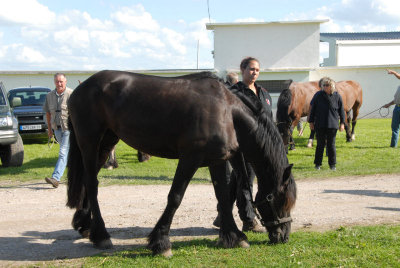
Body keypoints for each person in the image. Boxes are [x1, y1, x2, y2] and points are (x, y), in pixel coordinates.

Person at [214, 57, 273, 233]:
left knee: (237, 180)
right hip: (240, 144)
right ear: (242, 69)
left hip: (259, 145)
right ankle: (248, 220)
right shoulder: (234, 93)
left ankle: (222, 215)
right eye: (251, 69)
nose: (254, 72)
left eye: (257, 70)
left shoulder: (263, 93)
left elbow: (268, 119)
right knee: (246, 179)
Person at [308, 77, 345, 171]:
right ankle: (317, 164)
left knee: (331, 145)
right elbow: (313, 109)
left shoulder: (337, 96)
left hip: (332, 125)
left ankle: (332, 165)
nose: (324, 87)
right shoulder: (318, 95)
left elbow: (341, 111)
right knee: (320, 144)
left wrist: (342, 123)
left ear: (331, 86)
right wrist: (311, 122)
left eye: (326, 85)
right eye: (323, 85)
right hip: (320, 124)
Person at [43, 73, 73, 188]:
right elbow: (48, 113)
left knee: (63, 152)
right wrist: (50, 130)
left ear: (65, 81)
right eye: (57, 82)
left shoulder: (71, 94)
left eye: (61, 81)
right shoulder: (49, 96)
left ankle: (56, 178)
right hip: (57, 129)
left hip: (68, 128)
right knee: (67, 153)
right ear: (54, 82)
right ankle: (77, 174)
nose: (59, 84)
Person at [383, 69, 400, 147]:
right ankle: (393, 146)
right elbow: (396, 99)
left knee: (395, 128)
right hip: (397, 108)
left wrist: (393, 72)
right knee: (394, 128)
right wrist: (388, 104)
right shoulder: (399, 87)